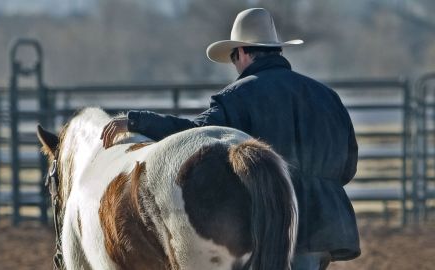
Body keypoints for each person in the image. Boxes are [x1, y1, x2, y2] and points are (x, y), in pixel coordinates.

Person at [101, 7, 360, 270]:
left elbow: (191, 136)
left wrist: (138, 121)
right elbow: (348, 168)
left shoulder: (237, 97)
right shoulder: (328, 97)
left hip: (269, 224)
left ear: (244, 52)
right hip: (326, 225)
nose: (235, 65)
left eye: (234, 57)